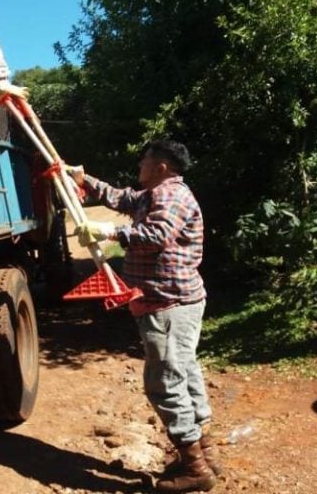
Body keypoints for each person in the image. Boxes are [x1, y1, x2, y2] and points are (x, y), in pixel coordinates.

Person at [72, 140, 220, 493]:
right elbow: (121, 198)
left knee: (165, 384)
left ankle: (195, 467)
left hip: (167, 305)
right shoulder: (155, 194)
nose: (140, 165)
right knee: (184, 374)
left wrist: (109, 231)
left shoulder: (169, 196)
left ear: (162, 166)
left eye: (145, 160)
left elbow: (156, 235)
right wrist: (82, 178)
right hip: (174, 303)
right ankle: (206, 453)